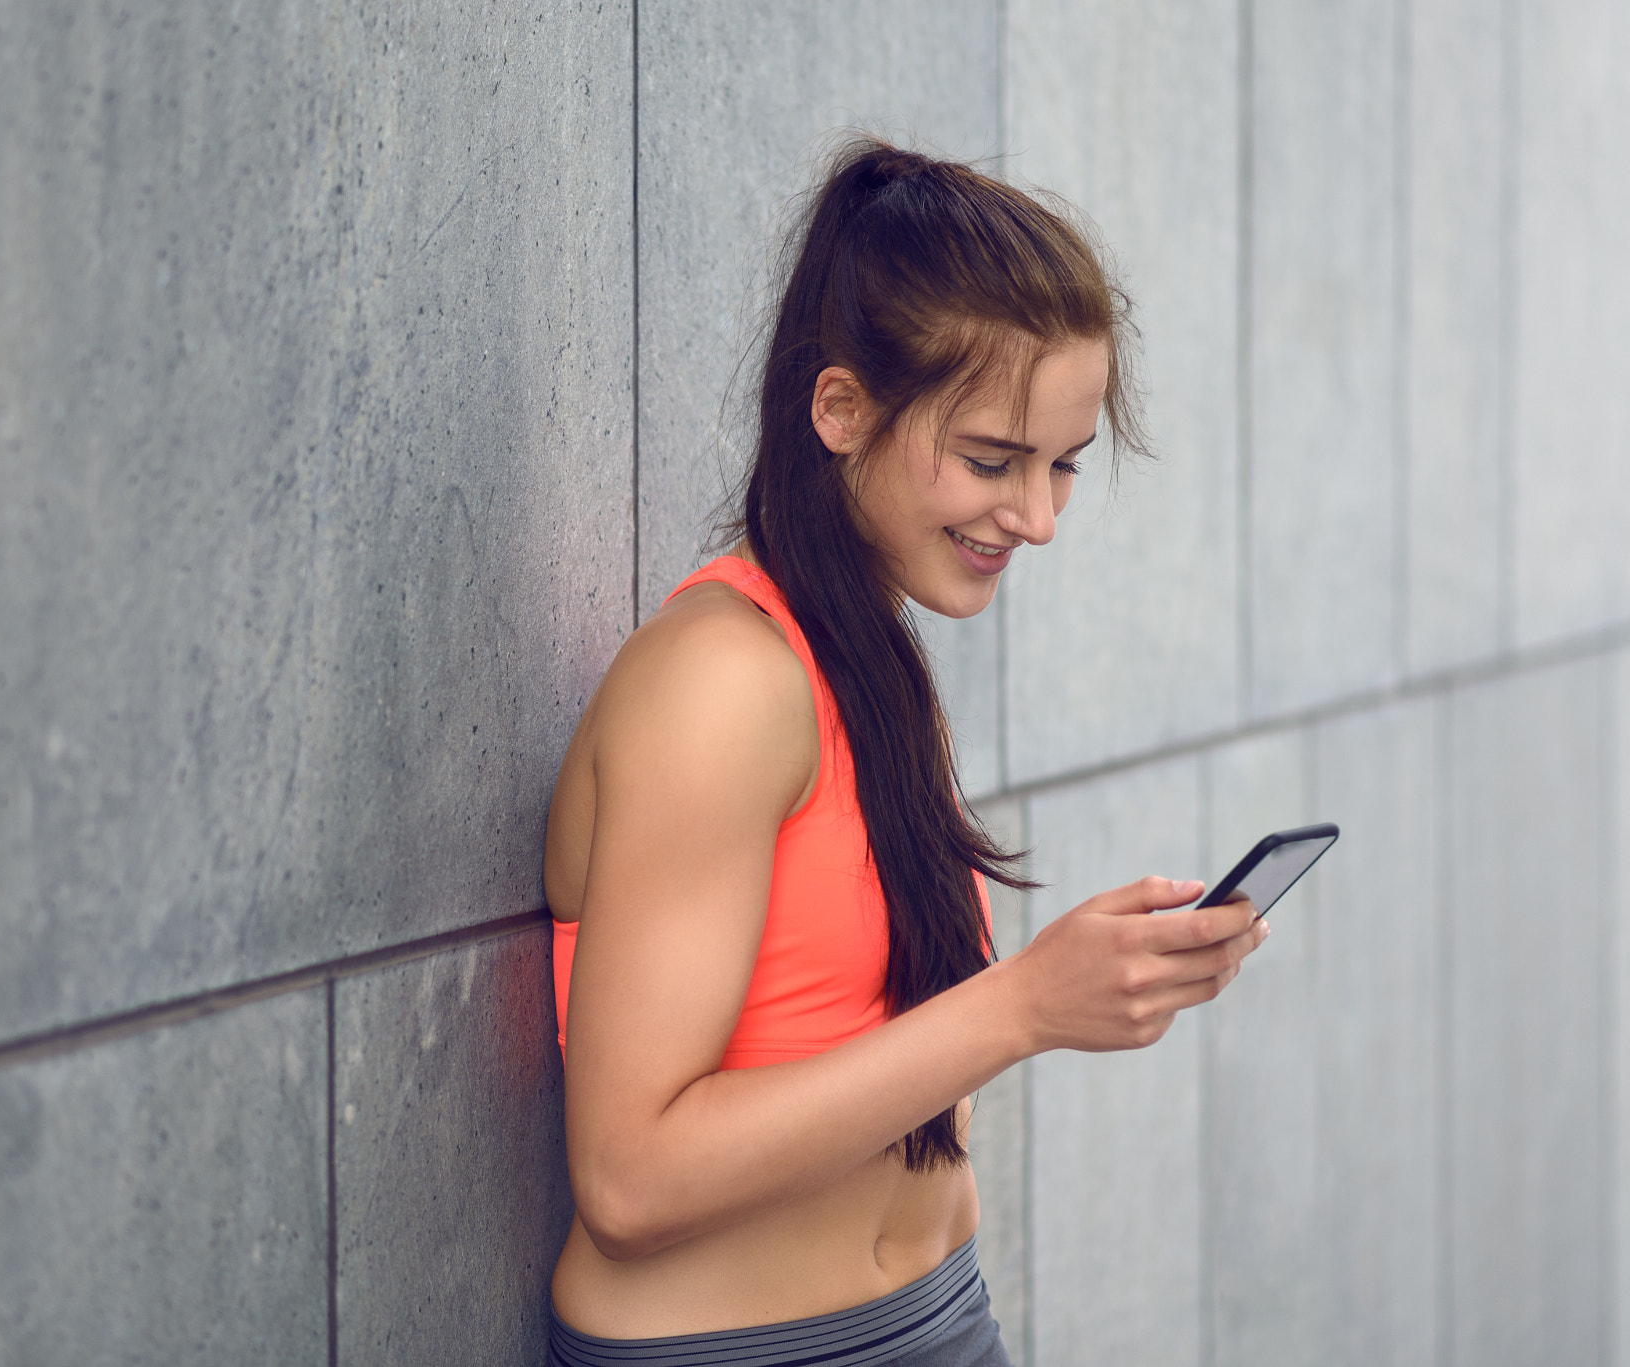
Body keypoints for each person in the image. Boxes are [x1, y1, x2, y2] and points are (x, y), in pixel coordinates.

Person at [541, 135, 1269, 1367]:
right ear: (839, 408)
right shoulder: (715, 681)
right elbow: (628, 1176)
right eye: (991, 460)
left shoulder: (864, 658)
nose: (1035, 518)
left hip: (933, 1316)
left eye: (1060, 468)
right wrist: (1027, 1002)